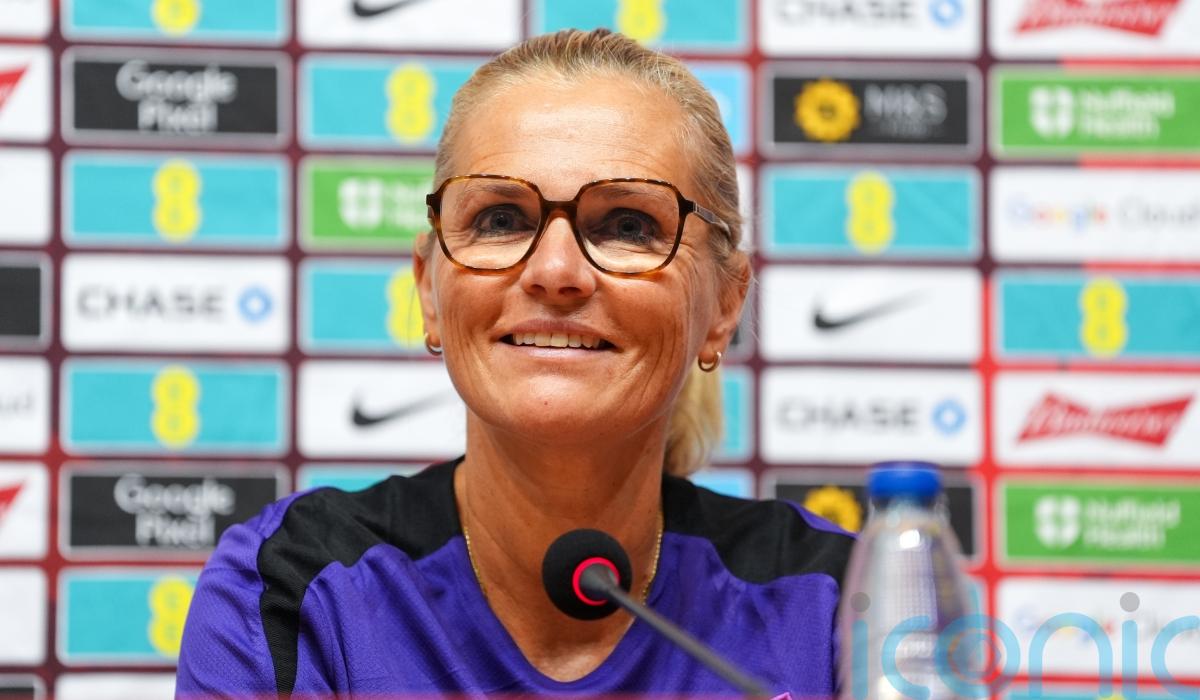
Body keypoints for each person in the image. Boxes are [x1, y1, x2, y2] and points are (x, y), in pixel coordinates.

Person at [176, 28, 853, 698]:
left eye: (628, 226)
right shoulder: (297, 582)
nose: (555, 272)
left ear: (725, 306)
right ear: (429, 291)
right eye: (501, 219)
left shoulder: (836, 601)